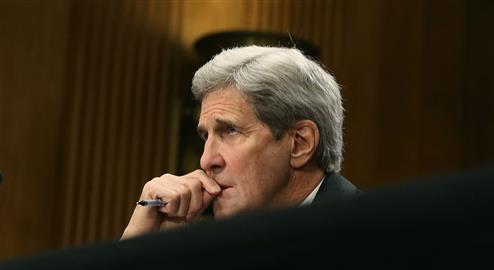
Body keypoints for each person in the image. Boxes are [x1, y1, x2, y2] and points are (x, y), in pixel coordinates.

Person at [122, 46, 359, 239]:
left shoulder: (371, 239)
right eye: (205, 136)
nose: (206, 160)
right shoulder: (202, 237)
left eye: (230, 131)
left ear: (300, 143)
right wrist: (140, 248)